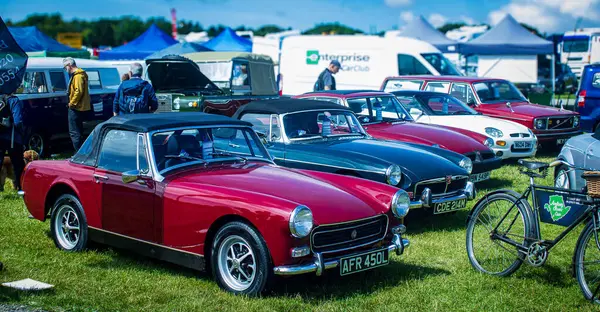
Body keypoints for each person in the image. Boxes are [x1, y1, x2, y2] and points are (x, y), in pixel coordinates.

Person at [63, 57, 91, 151]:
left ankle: (79, 154)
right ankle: (81, 153)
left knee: (74, 132)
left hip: (76, 108)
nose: (65, 69)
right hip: (79, 107)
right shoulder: (79, 75)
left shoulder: (78, 76)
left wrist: (72, 103)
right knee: (78, 132)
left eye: (65, 67)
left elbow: (78, 91)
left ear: (69, 65)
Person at [0, 92, 25, 191]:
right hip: (12, 138)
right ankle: (20, 187)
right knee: (18, 164)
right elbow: (18, 121)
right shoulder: (13, 100)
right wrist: (22, 133)